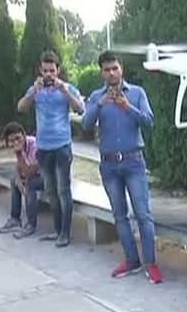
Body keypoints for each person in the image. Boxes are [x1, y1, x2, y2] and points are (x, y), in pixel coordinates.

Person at [81, 51, 163, 284]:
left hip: (133, 161)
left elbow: (149, 121)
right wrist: (99, 105)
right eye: (107, 70)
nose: (111, 73)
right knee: (119, 215)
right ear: (101, 72)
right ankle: (131, 260)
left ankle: (151, 264)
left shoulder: (137, 93)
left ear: (121, 69)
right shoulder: (97, 96)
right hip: (109, 165)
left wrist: (128, 107)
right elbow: (86, 124)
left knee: (143, 214)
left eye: (114, 68)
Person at [17, 51, 84, 248]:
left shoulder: (67, 88)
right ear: (40, 70)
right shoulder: (36, 89)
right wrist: (33, 93)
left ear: (58, 70)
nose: (48, 74)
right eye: (45, 70)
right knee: (50, 191)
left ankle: (65, 233)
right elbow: (21, 108)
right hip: (43, 148)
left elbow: (80, 109)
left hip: (62, 146)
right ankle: (57, 230)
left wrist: (64, 90)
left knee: (63, 190)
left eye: (52, 71)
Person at [0, 122, 44, 239]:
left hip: (52, 177)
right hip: (37, 174)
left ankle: (31, 224)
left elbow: (29, 173)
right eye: (11, 141)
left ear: (24, 135)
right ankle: (15, 219)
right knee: (14, 181)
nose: (16, 142)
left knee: (31, 185)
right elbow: (19, 166)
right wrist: (18, 179)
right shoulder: (21, 146)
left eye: (18, 138)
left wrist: (18, 153)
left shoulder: (35, 146)